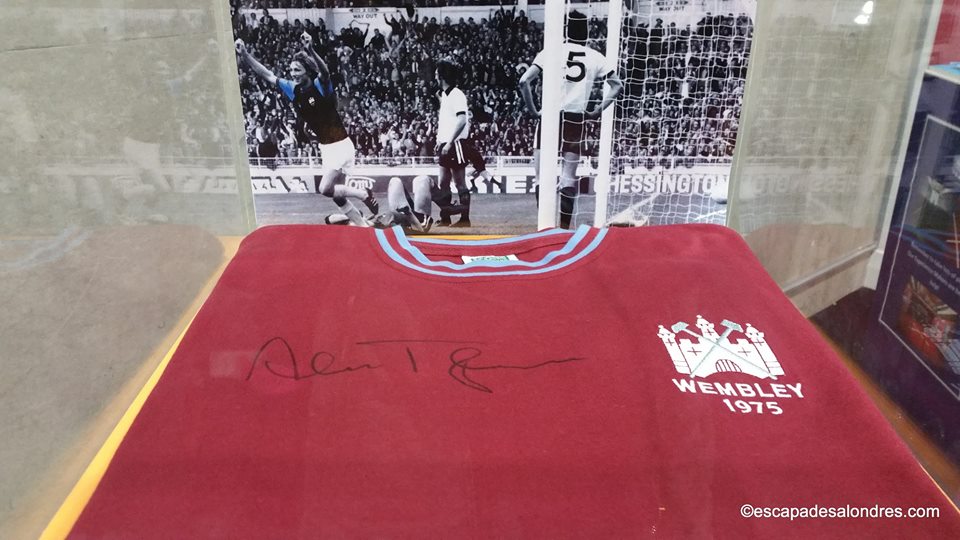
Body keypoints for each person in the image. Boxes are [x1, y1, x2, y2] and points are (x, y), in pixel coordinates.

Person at [235, 32, 378, 225]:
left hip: (340, 145)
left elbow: (325, 72)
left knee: (325, 188)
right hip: (326, 148)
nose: (293, 73)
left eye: (297, 70)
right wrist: (245, 55)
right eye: (291, 70)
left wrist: (311, 50)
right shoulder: (292, 89)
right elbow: (267, 74)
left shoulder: (320, 85)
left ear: (307, 71)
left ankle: (363, 194)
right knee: (337, 196)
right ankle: (362, 226)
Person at [519, 10, 623, 229]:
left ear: (566, 30)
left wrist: (533, 110)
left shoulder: (551, 52)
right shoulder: (595, 56)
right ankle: (564, 229)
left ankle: (544, 228)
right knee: (568, 177)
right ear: (587, 32)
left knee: (541, 177)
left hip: (550, 118)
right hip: (576, 118)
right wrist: (597, 110)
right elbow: (617, 85)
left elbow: (524, 81)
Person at [433, 58, 474, 227]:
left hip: (455, 143)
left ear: (442, 76)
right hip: (446, 143)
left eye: (437, 72)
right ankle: (445, 217)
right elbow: (447, 120)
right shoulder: (445, 95)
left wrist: (449, 142)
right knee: (443, 183)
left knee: (459, 182)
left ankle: (464, 219)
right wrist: (440, 140)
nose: (435, 75)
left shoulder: (457, 94)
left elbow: (462, 120)